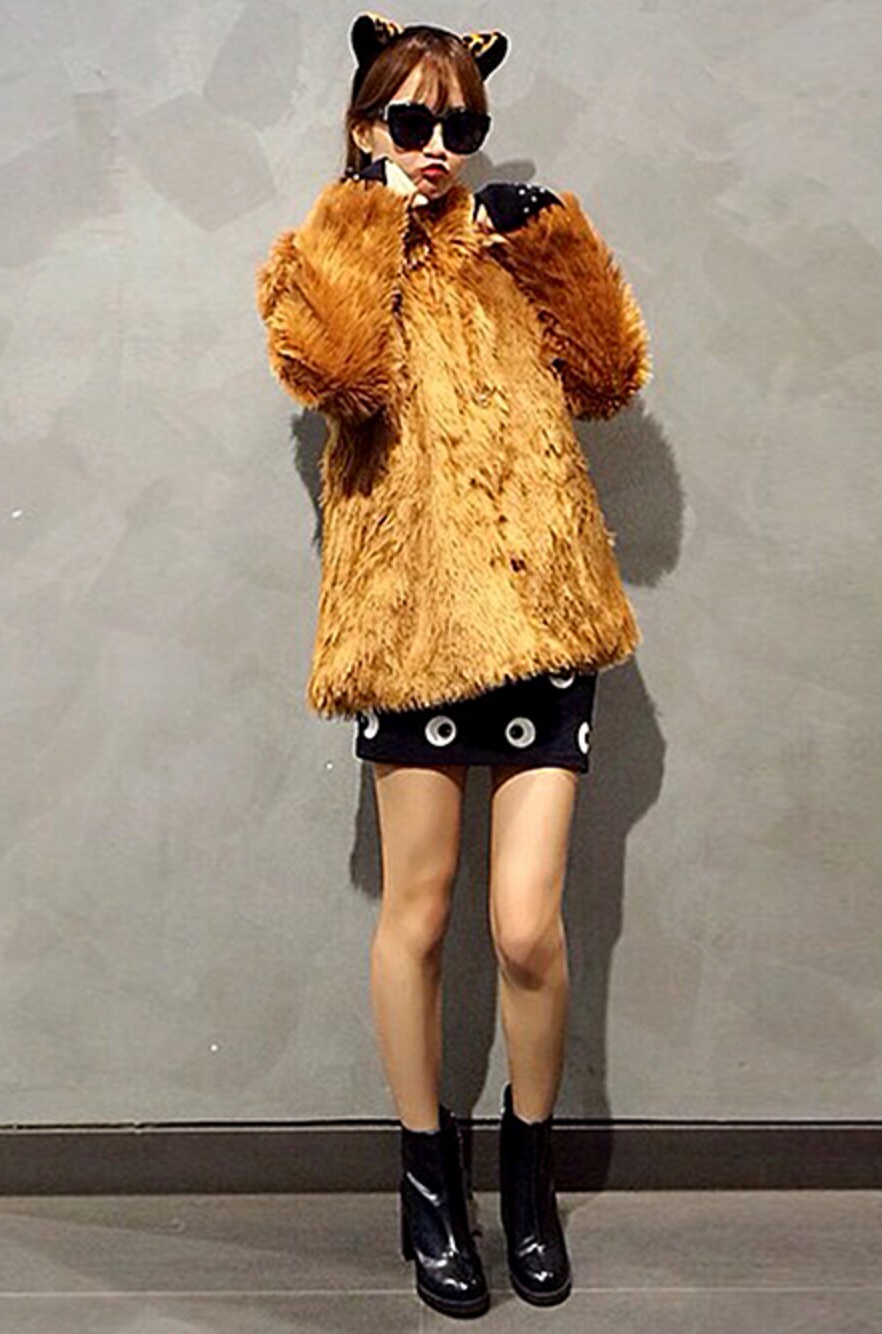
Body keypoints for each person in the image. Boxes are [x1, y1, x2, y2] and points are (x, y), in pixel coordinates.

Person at [256, 11, 651, 1320]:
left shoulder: (508, 251)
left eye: (462, 124)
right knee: (417, 915)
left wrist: (557, 246)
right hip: (418, 629)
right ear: (366, 124)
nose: (439, 145)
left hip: (544, 616)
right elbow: (331, 369)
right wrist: (365, 219)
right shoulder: (324, 252)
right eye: (413, 120)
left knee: (526, 924)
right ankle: (429, 1185)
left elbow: (609, 376)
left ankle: (527, 1176)